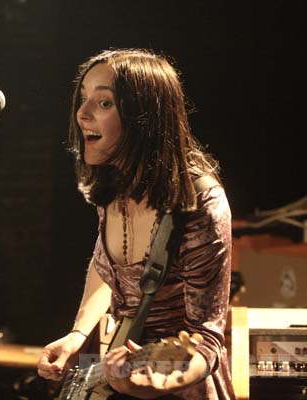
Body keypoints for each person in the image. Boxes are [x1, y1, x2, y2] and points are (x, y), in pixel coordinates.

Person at [37, 49, 236, 399]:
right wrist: (78, 335)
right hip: (120, 377)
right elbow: (107, 269)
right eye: (83, 99)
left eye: (104, 104)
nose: (82, 114)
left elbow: (206, 340)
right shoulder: (113, 186)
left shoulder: (200, 202)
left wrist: (155, 379)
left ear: (144, 116)